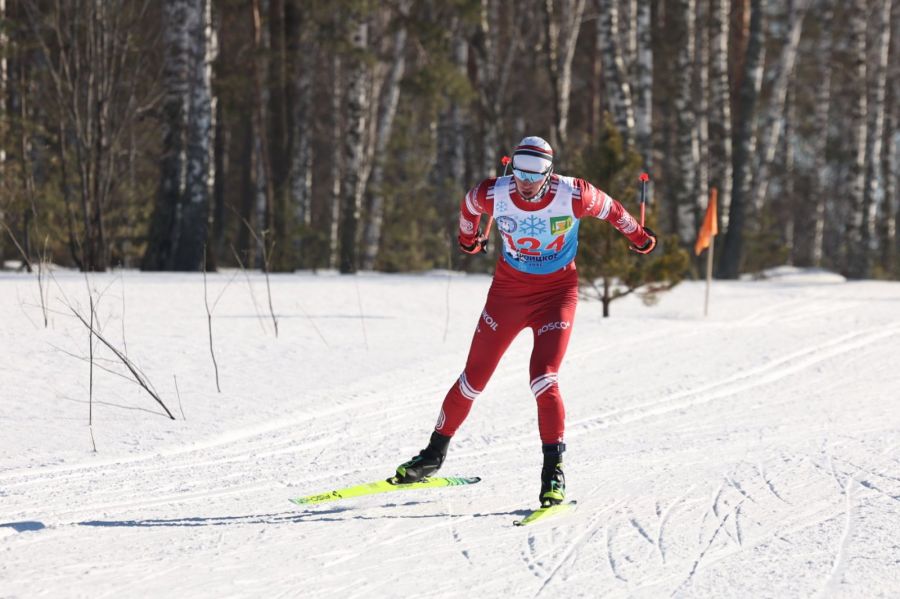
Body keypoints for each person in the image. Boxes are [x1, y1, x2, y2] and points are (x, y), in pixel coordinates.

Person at [394, 136, 657, 507]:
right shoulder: (493, 193)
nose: (525, 182)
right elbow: (469, 207)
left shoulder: (574, 194)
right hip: (507, 295)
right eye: (519, 172)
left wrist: (640, 236)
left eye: (534, 175)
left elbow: (613, 210)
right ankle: (432, 455)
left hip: (556, 295)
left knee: (543, 378)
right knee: (473, 380)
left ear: (549, 173)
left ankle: (553, 473)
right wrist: (468, 239)